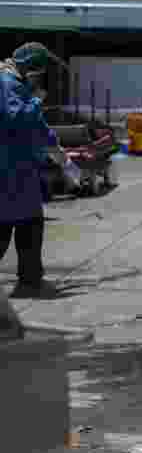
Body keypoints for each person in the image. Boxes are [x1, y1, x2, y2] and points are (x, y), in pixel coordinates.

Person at [1, 42, 67, 299]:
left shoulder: (16, 85)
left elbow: (36, 127)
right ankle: (29, 281)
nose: (38, 77)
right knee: (12, 223)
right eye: (38, 70)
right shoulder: (6, 83)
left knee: (27, 223)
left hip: (19, 170)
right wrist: (37, 102)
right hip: (8, 169)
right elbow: (17, 118)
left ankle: (30, 280)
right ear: (29, 66)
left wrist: (57, 150)